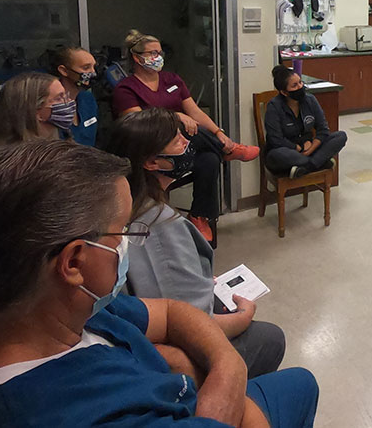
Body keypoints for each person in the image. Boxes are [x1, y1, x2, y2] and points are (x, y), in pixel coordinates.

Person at [0, 140, 318, 428]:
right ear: (73, 261)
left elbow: (170, 312)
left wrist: (204, 365)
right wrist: (227, 374)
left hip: (176, 390)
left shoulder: (23, 309)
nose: (126, 246)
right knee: (302, 384)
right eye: (122, 232)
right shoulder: (68, 412)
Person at [106, 108, 286, 378]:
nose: (188, 143)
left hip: (152, 327)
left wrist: (195, 276)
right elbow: (192, 326)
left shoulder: (126, 203)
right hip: (173, 349)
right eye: (177, 140)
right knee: (271, 337)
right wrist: (244, 315)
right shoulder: (160, 226)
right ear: (153, 162)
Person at [112, 29, 258, 240]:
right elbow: (140, 127)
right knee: (187, 132)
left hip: (182, 147)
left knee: (209, 159)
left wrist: (218, 132)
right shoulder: (125, 89)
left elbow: (195, 113)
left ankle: (198, 215)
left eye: (160, 52)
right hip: (154, 153)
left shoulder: (172, 80)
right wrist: (176, 117)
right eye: (152, 53)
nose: (158, 57)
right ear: (136, 57)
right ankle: (229, 150)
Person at [264, 66, 347, 178]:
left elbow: (323, 130)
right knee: (278, 155)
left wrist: (310, 148)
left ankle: (306, 167)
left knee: (340, 136)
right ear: (284, 92)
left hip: (309, 147)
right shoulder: (274, 106)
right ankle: (319, 162)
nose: (300, 87)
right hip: (287, 151)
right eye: (294, 85)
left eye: (300, 82)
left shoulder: (310, 100)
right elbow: (276, 139)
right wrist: (299, 148)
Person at [0, 71, 74, 155]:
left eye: (65, 95)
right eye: (59, 98)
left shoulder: (59, 143)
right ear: (35, 110)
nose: (68, 101)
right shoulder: (8, 163)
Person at [51, 46, 100, 146]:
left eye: (93, 67)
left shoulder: (88, 99)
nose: (93, 73)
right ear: (64, 71)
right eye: (86, 68)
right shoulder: (52, 106)